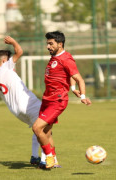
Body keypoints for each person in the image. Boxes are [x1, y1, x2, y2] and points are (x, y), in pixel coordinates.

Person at [0, 36, 59, 168]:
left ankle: (34, 156)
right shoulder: (6, 66)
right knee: (46, 131)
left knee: (37, 130)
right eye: (8, 59)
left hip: (16, 112)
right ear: (3, 60)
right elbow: (19, 51)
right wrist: (13, 41)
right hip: (29, 104)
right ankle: (45, 160)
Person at [32, 31, 92, 169]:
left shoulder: (66, 59)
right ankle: (54, 160)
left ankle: (49, 158)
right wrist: (72, 87)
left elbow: (79, 78)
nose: (48, 46)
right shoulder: (55, 57)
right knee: (46, 132)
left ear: (60, 44)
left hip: (57, 100)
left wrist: (82, 96)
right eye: (47, 43)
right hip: (47, 99)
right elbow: (69, 75)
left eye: (51, 43)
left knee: (36, 128)